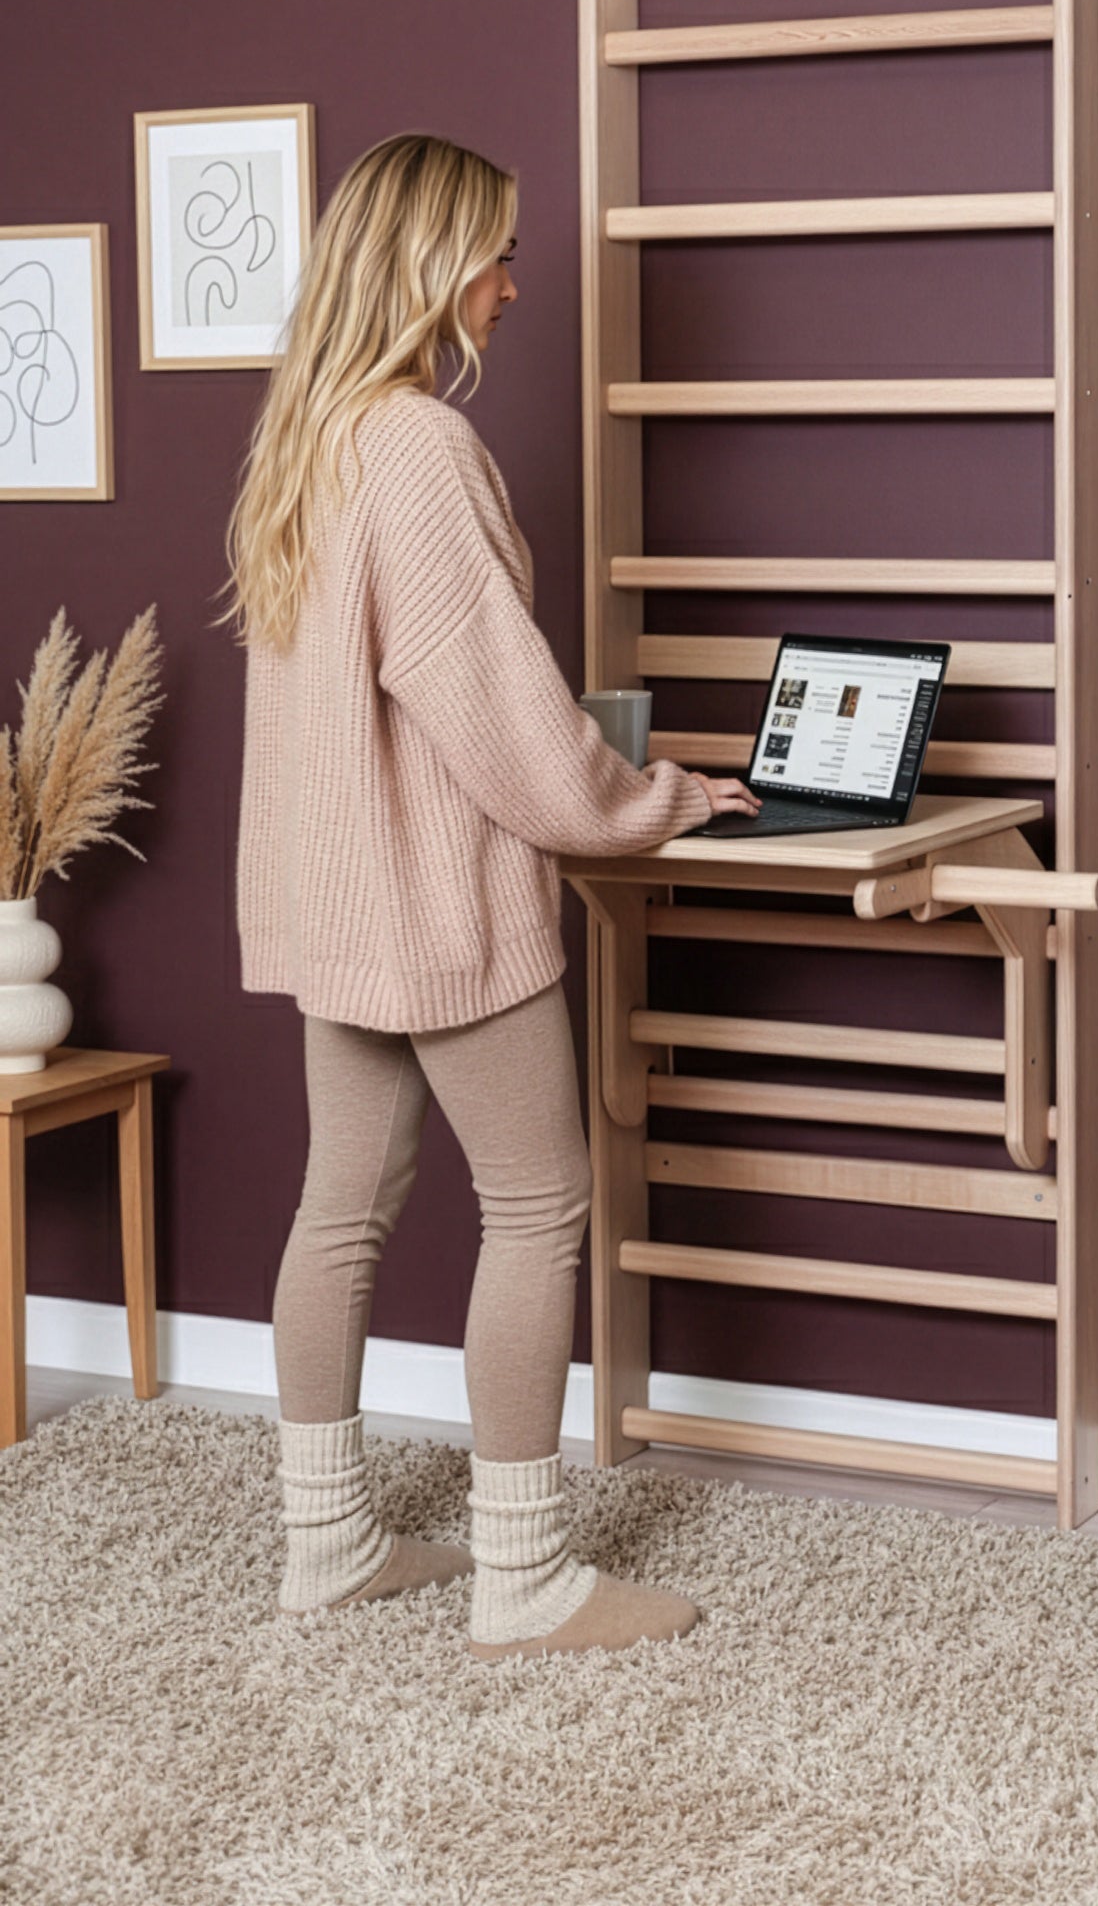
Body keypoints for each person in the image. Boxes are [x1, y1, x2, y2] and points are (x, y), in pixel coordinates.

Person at [218, 132, 760, 1662]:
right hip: (441, 907)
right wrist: (654, 801)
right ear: (425, 265)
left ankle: (324, 1547)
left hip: (338, 901)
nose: (515, 284)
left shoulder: (304, 441)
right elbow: (499, 720)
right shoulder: (421, 451)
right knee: (540, 1204)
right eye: (496, 253)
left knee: (342, 1210)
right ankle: (524, 1581)